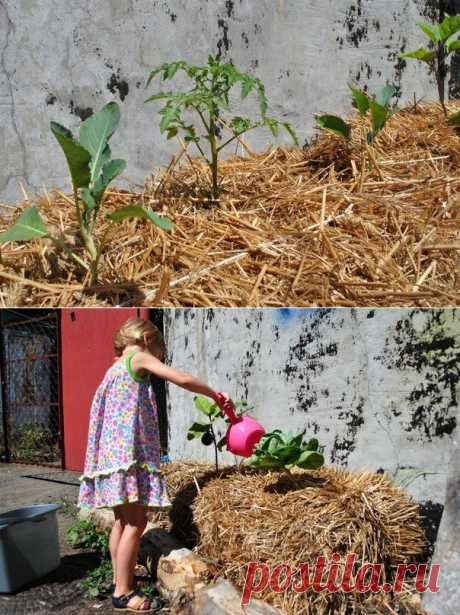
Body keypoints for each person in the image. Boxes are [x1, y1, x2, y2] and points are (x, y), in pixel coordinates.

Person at [77, 317, 230, 613]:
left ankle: (120, 578)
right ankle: (124, 593)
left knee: (122, 522)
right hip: (130, 456)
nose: (158, 357)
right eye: (160, 351)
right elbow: (182, 379)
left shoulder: (113, 368)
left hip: (114, 459)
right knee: (136, 523)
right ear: (147, 339)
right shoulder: (138, 355)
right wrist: (216, 396)